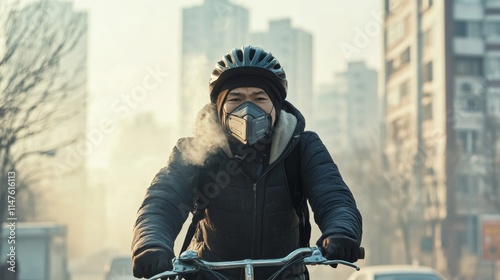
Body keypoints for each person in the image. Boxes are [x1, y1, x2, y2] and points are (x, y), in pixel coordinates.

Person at [131, 45, 363, 279]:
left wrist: (340, 232)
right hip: (209, 275)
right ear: (219, 108)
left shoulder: (303, 147)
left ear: (276, 106)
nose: (247, 109)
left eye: (259, 98)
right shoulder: (195, 151)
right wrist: (151, 245)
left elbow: (334, 197)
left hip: (285, 275)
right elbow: (162, 202)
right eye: (236, 98)